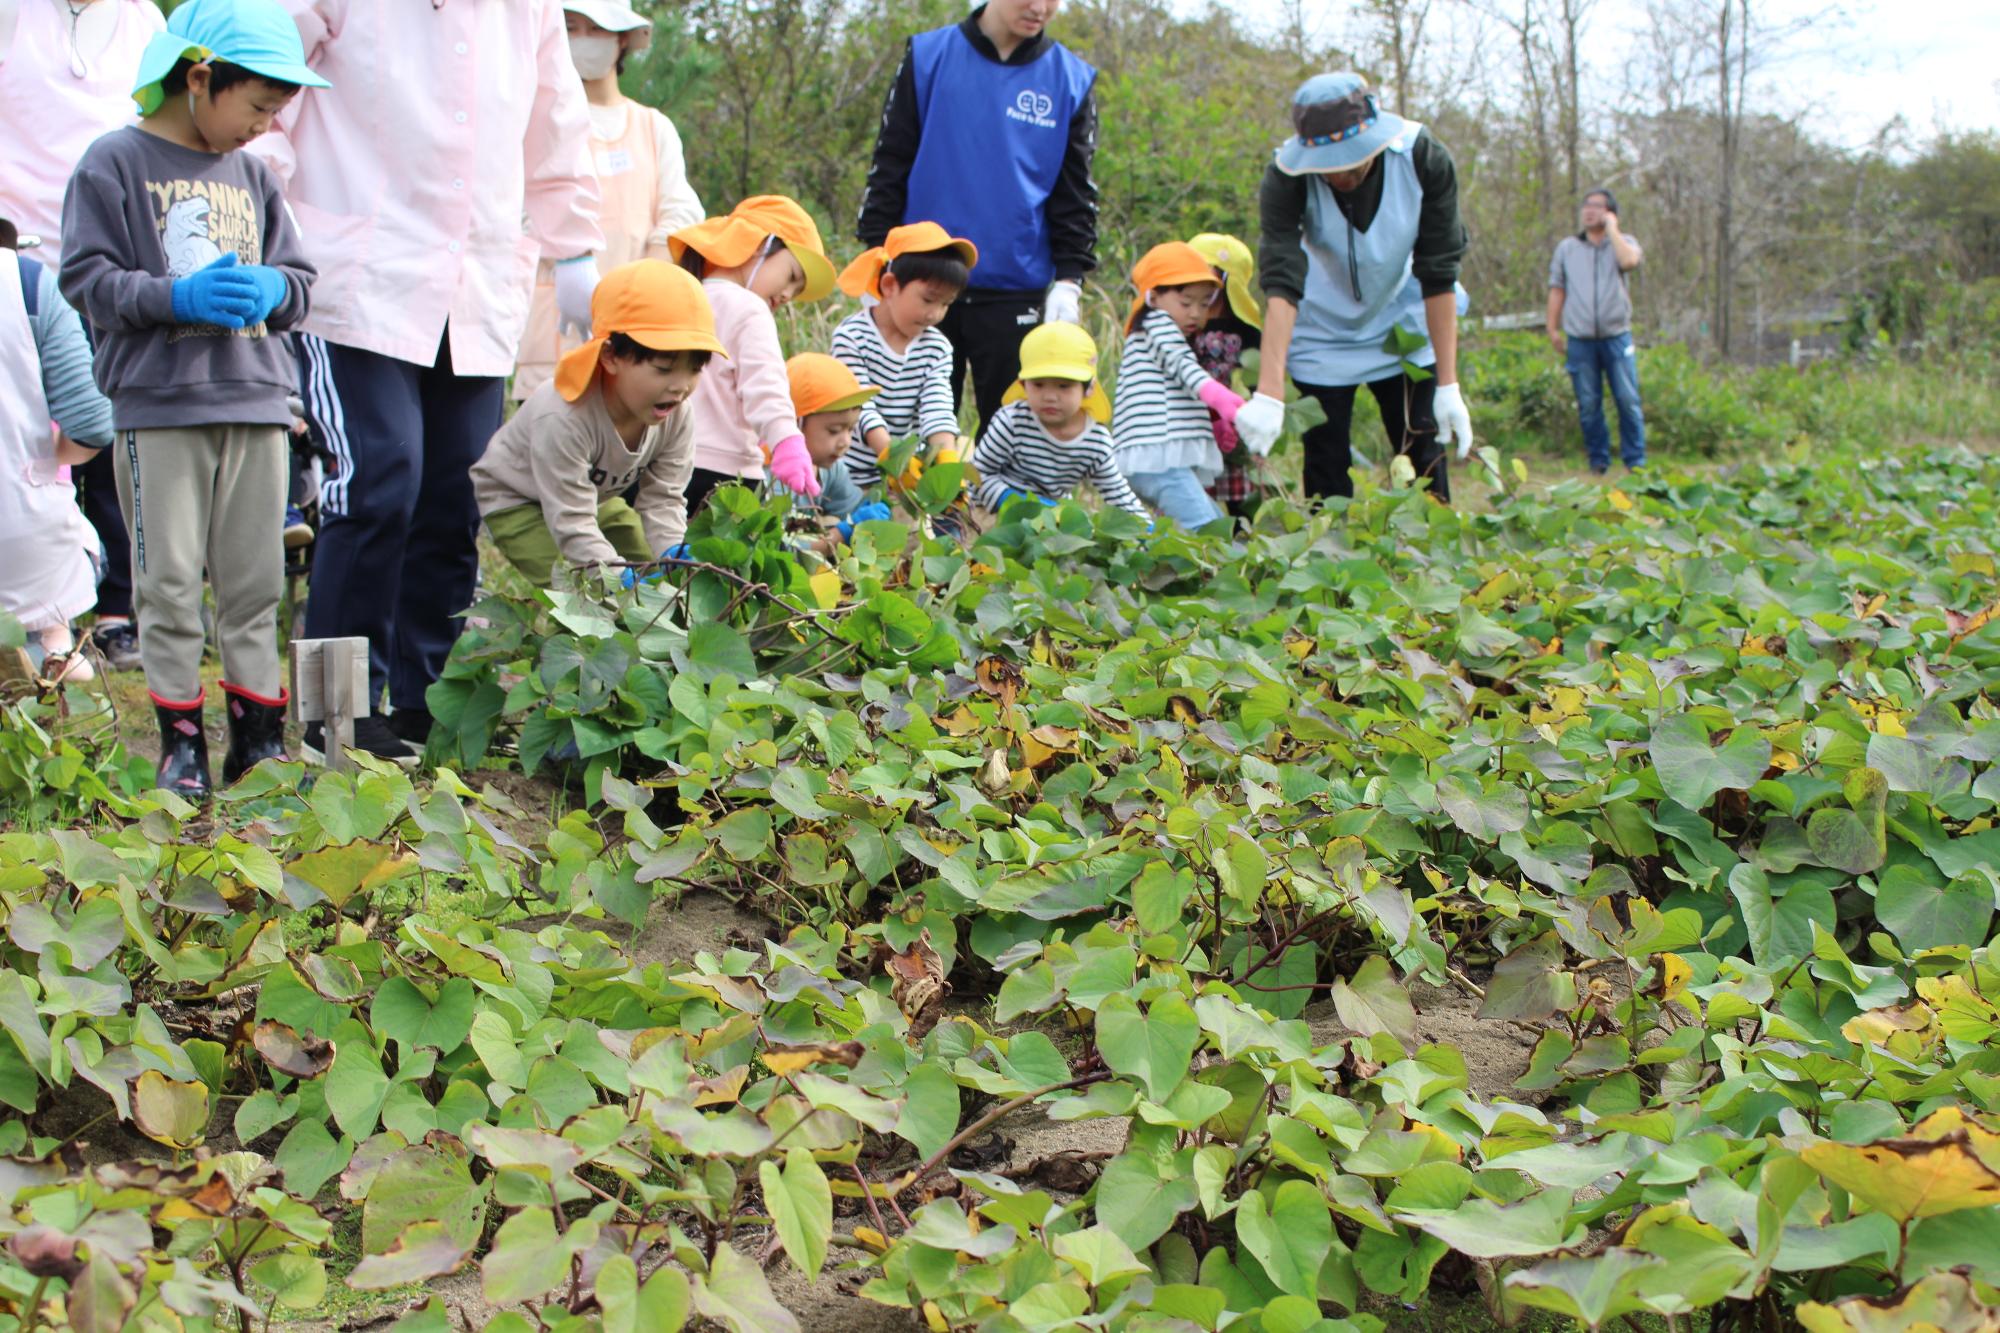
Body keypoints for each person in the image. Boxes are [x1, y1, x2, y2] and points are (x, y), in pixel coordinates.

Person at [254, 0, 603, 765]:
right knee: (376, 480)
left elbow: (555, 124)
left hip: (473, 286)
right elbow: (264, 75)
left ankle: (425, 699)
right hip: (356, 276)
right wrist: (264, 211)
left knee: (453, 498)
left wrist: (573, 245)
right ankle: (334, 714)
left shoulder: (529, 9)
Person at [58, 0, 326, 798]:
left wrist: (278, 285)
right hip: (160, 408)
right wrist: (174, 297)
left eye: (276, 113)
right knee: (168, 584)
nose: (263, 128)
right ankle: (181, 748)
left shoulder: (253, 177)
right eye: (257, 107)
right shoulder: (113, 163)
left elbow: (301, 282)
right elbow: (86, 280)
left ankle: (258, 742)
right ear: (201, 79)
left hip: (257, 401)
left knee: (254, 585)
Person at [0, 0, 166, 674]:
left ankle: (119, 607)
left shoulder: (146, 23)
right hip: (24, 259)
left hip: (111, 257)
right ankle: (47, 614)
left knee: (114, 431)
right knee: (34, 435)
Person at [856, 0, 1099, 432]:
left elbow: (1074, 190)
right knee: (907, 436)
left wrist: (1069, 280)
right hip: (922, 278)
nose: (1040, 7)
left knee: (1015, 441)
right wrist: (876, 257)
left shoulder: (1071, 79)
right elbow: (890, 162)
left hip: (1015, 287)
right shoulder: (930, 56)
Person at [1237, 73, 1473, 503]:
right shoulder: (1285, 176)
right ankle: (1331, 551)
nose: (1339, 175)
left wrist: (1449, 385)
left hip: (1402, 317)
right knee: (1325, 458)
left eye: (1349, 161)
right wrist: (1269, 392)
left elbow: (1438, 271)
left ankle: (1433, 551)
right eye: (1327, 166)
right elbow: (1282, 279)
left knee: (1421, 447)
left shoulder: (1422, 156)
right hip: (1322, 327)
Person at [471, 261, 719, 590]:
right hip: (519, 501)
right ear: (610, 356)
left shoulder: (677, 414)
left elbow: (664, 498)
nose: (681, 386)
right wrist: (615, 580)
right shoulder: (565, 416)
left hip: (593, 500)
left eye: (694, 370)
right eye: (663, 369)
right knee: (582, 593)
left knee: (653, 568)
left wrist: (671, 551)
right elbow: (571, 519)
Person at [513, 0, 704, 401]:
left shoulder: (653, 127)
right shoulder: (532, 118)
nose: (582, 40)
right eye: (571, 27)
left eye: (595, 29)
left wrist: (641, 291)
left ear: (622, 39)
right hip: (553, 327)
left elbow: (679, 213)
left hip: (636, 335)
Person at [669, 195, 836, 511]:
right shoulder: (750, 309)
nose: (788, 295)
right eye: (791, 277)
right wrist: (786, 441)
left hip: (667, 465)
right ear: (760, 245)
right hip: (727, 474)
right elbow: (765, 386)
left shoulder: (685, 293)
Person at [1, 235, 113, 683]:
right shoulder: (27, 282)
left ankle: (45, 646)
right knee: (81, 545)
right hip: (22, 543)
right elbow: (91, 425)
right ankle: (51, 645)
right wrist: (45, 464)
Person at [830, 221, 975, 492]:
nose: (935, 314)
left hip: (907, 472)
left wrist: (946, 464)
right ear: (889, 286)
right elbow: (860, 406)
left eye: (946, 303)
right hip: (848, 473)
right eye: (928, 299)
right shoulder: (852, 337)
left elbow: (937, 407)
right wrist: (891, 457)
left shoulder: (937, 347)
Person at [1112, 242, 1244, 530]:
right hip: (1157, 458)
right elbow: (1184, 367)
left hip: (1160, 459)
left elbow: (1177, 389)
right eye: (1186, 303)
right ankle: (1223, 574)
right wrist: (1219, 396)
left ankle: (1157, 565)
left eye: (1204, 302)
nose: (1196, 313)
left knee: (1210, 525)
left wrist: (1214, 420)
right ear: (1153, 297)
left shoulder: (1160, 332)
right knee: (1207, 528)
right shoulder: (1156, 323)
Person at [973, 320, 1144, 518]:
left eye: (1064, 386)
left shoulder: (1095, 440)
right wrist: (1012, 499)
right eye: (1038, 385)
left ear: (1088, 388)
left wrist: (1148, 531)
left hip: (1052, 518)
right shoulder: (1012, 421)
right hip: (995, 511)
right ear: (1023, 384)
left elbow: (1118, 495)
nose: (1050, 396)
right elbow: (977, 475)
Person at [1548, 187, 1645, 474]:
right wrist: (1552, 328)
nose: (1589, 211)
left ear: (1610, 212)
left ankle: (1635, 462)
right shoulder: (1568, 248)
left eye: (1597, 206)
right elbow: (1557, 288)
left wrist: (1612, 229)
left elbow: (1629, 262)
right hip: (1580, 339)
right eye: (1586, 205)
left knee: (1627, 400)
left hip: (1617, 337)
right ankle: (1598, 461)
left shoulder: (1624, 243)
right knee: (1588, 404)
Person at [1186, 232, 1266, 518]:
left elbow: (1258, 377)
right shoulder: (1183, 322)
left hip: (1234, 424)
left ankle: (1241, 550)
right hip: (1191, 421)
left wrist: (1257, 421)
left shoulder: (1245, 330)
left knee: (1240, 498)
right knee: (1189, 496)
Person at [786, 353, 890, 542]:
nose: (845, 442)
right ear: (795, 423)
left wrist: (871, 513)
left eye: (850, 429)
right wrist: (841, 534)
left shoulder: (831, 470)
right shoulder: (774, 476)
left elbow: (852, 507)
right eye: (834, 431)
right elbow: (785, 548)